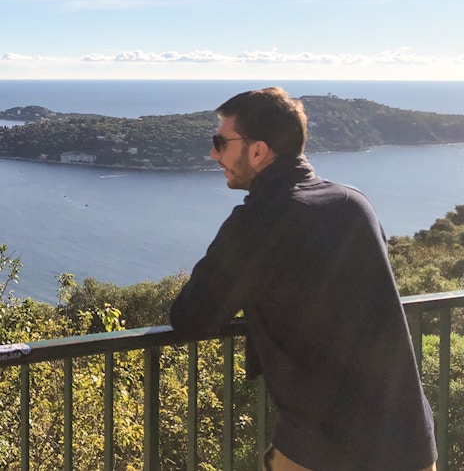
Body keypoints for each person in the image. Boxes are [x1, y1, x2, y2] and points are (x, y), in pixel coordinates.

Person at [170, 87, 438, 471]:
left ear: (258, 150)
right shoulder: (352, 203)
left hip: (324, 449)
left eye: (220, 142)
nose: (214, 154)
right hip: (410, 443)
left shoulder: (259, 221)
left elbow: (191, 318)